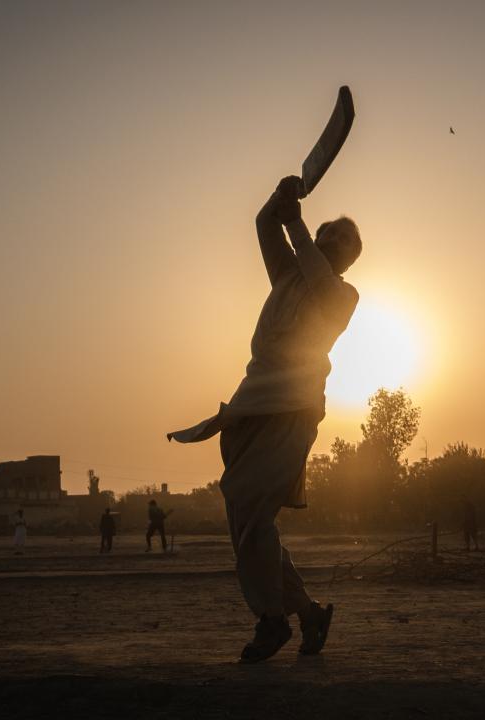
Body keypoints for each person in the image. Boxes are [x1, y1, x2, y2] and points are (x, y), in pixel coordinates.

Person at [166, 175, 360, 663]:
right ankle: (308, 613)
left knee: (251, 514)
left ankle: (272, 622)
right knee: (246, 520)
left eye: (341, 239)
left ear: (350, 257)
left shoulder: (340, 295)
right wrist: (281, 197)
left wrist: (294, 219)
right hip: (252, 398)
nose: (329, 238)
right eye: (326, 231)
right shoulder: (288, 275)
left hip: (292, 408)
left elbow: (311, 265)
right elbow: (263, 223)